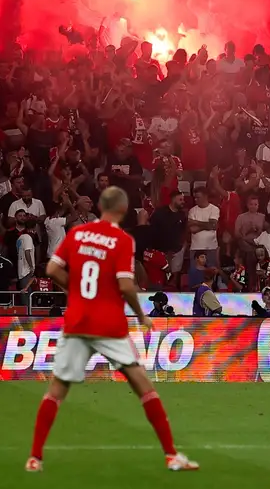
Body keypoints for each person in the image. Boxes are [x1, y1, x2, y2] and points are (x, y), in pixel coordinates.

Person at [27, 186, 198, 473]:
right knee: (143, 386)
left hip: (78, 320)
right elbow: (125, 285)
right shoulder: (121, 240)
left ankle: (35, 457)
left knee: (56, 390)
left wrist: (79, 292)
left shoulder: (76, 234)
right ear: (121, 210)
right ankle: (171, 455)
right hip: (109, 324)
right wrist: (142, 313)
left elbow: (52, 271)